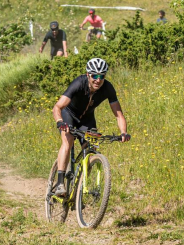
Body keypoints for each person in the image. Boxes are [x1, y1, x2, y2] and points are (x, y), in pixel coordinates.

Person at [52, 58, 131, 196]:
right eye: (94, 76)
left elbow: (119, 114)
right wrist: (60, 121)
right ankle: (59, 184)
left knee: (91, 148)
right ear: (88, 74)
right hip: (69, 115)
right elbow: (57, 107)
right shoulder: (78, 83)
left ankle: (81, 188)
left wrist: (123, 132)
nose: (98, 80)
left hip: (87, 119)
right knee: (68, 141)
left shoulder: (108, 88)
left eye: (101, 76)